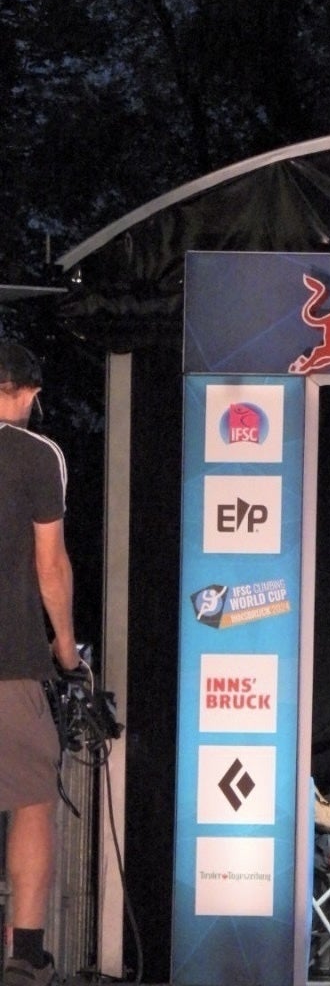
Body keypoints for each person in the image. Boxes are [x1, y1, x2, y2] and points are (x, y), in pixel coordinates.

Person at [0, 341, 80, 986]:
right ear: (27, 393)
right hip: (11, 660)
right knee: (29, 801)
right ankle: (24, 956)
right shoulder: (35, 454)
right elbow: (49, 565)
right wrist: (66, 650)